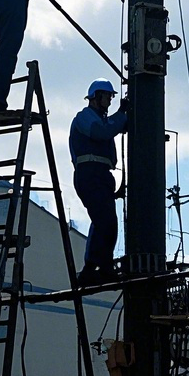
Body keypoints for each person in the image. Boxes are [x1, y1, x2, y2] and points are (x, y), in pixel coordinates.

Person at [69, 79, 129, 286]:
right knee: (105, 221)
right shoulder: (84, 118)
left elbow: (109, 127)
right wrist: (121, 115)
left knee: (105, 221)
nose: (110, 101)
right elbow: (101, 132)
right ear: (96, 97)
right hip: (90, 173)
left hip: (101, 174)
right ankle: (98, 267)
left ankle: (96, 267)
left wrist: (123, 117)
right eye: (107, 97)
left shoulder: (103, 120)